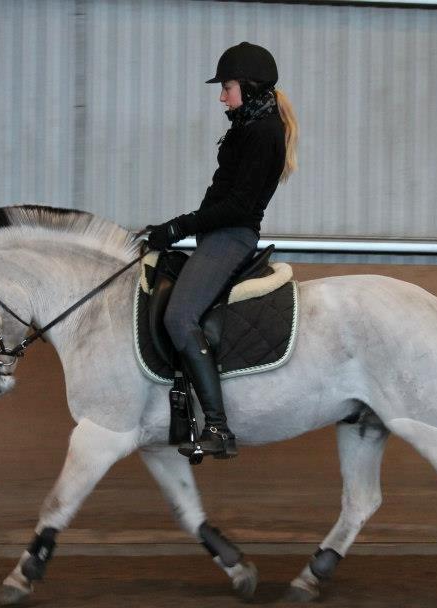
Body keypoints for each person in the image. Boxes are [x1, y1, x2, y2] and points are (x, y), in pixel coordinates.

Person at [146, 42, 299, 460]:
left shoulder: (263, 133)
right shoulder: (246, 126)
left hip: (232, 237)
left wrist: (178, 226)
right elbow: (220, 199)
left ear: (248, 87)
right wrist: (180, 229)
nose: (222, 96)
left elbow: (238, 207)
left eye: (227, 87)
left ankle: (217, 424)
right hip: (216, 235)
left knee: (179, 316)